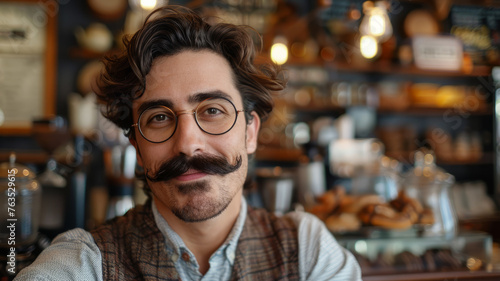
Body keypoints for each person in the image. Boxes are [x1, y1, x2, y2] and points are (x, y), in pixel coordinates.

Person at [15, 5, 362, 281]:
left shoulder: (308, 252)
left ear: (250, 132)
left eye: (212, 110)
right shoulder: (84, 263)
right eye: (160, 117)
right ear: (136, 146)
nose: (188, 145)